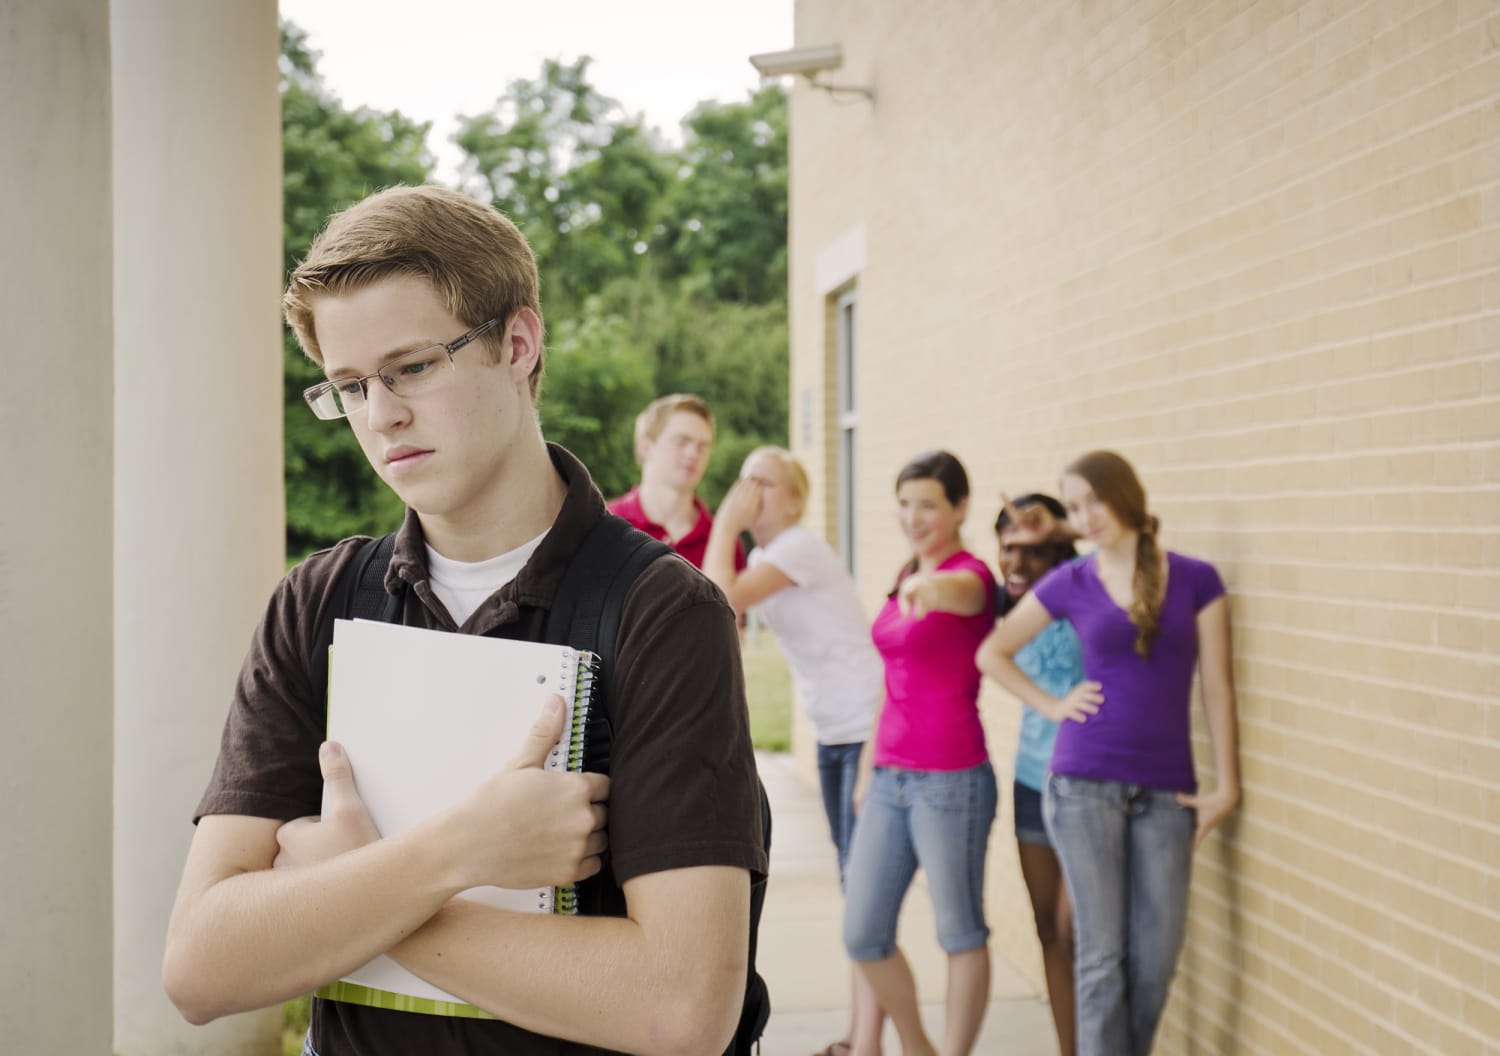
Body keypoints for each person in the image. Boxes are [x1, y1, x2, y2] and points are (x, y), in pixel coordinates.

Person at [162, 184, 766, 1056]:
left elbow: (681, 1010)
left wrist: (346, 893)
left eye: (411, 367)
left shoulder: (662, 612)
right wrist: (459, 850)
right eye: (349, 387)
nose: (381, 416)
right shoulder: (316, 604)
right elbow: (200, 966)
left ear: (517, 344)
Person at [976, 450, 1240, 1056]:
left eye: (1093, 500)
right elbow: (992, 651)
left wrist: (1225, 787)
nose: (1085, 516)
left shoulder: (1197, 580)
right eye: (1073, 506)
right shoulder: (1071, 581)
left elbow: (1217, 689)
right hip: (1081, 785)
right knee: (1100, 961)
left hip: (1168, 793)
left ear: (1125, 495)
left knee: (1154, 961)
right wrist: (1053, 705)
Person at [703, 446, 884, 1056]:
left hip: (864, 726)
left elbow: (715, 601)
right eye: (746, 479)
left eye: (767, 483)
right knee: (854, 885)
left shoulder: (797, 548)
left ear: (797, 500)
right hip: (836, 732)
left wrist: (724, 524)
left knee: (863, 889)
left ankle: (868, 1041)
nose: (751, 491)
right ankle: (862, 1039)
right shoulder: (764, 556)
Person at [842, 450, 999, 1056]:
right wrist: (865, 772)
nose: (913, 516)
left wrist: (927, 585)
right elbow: (891, 682)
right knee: (863, 933)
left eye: (928, 504)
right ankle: (916, 1045)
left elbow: (957, 592)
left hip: (951, 780)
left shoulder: (970, 576)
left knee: (959, 932)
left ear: (960, 507)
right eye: (905, 504)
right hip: (888, 779)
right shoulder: (904, 573)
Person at [993, 493, 1082, 1056]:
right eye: (1008, 549)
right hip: (1031, 780)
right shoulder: (1004, 602)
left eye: (1033, 550)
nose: (1017, 564)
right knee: (1048, 930)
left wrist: (1067, 525)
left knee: (1079, 931)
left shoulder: (1088, 587)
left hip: (1087, 781)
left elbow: (1130, 548)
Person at [608, 393, 743, 570]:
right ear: (646, 447)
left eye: (703, 446)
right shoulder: (605, 525)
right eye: (681, 441)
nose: (693, 453)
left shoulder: (724, 540)